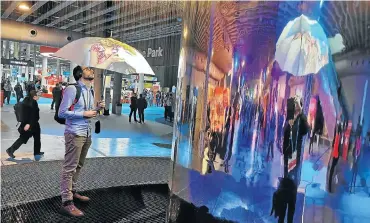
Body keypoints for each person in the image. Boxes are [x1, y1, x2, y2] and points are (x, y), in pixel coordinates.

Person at [58, 65, 104, 217]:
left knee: (79, 165)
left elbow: (90, 113)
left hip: (86, 133)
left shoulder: (90, 90)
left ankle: (73, 191)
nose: (90, 69)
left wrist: (97, 108)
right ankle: (67, 201)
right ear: (79, 74)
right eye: (86, 69)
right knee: (69, 167)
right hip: (74, 133)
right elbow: (62, 112)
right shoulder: (73, 89)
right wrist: (83, 113)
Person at [6, 90, 43, 158]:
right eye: (39, 96)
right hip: (30, 124)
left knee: (37, 137)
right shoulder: (33, 102)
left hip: (32, 123)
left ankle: (37, 152)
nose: (39, 97)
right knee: (23, 138)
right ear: (34, 96)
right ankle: (10, 150)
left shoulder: (27, 100)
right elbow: (32, 115)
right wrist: (29, 124)